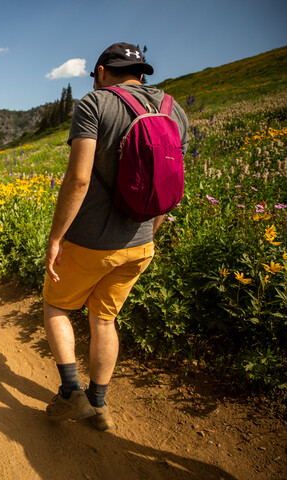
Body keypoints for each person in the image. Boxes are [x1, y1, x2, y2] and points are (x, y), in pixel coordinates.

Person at [42, 43, 189, 430]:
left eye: (95, 76)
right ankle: (100, 404)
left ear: (102, 71)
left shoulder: (95, 104)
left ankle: (71, 393)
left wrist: (56, 238)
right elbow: (171, 185)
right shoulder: (175, 111)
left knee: (55, 305)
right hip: (140, 244)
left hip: (90, 240)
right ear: (140, 72)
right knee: (104, 320)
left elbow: (79, 178)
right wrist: (150, 233)